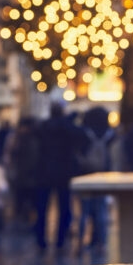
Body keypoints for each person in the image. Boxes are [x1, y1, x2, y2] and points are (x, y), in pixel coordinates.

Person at [34, 101, 86, 252]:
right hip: (63, 172)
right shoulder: (66, 127)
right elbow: (80, 136)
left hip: (44, 172)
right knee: (64, 208)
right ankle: (60, 241)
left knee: (42, 208)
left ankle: (41, 241)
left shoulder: (43, 127)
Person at [77, 106, 115, 252]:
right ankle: (101, 243)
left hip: (85, 175)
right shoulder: (110, 134)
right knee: (101, 210)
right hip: (103, 177)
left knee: (84, 211)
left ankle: (80, 242)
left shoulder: (84, 133)